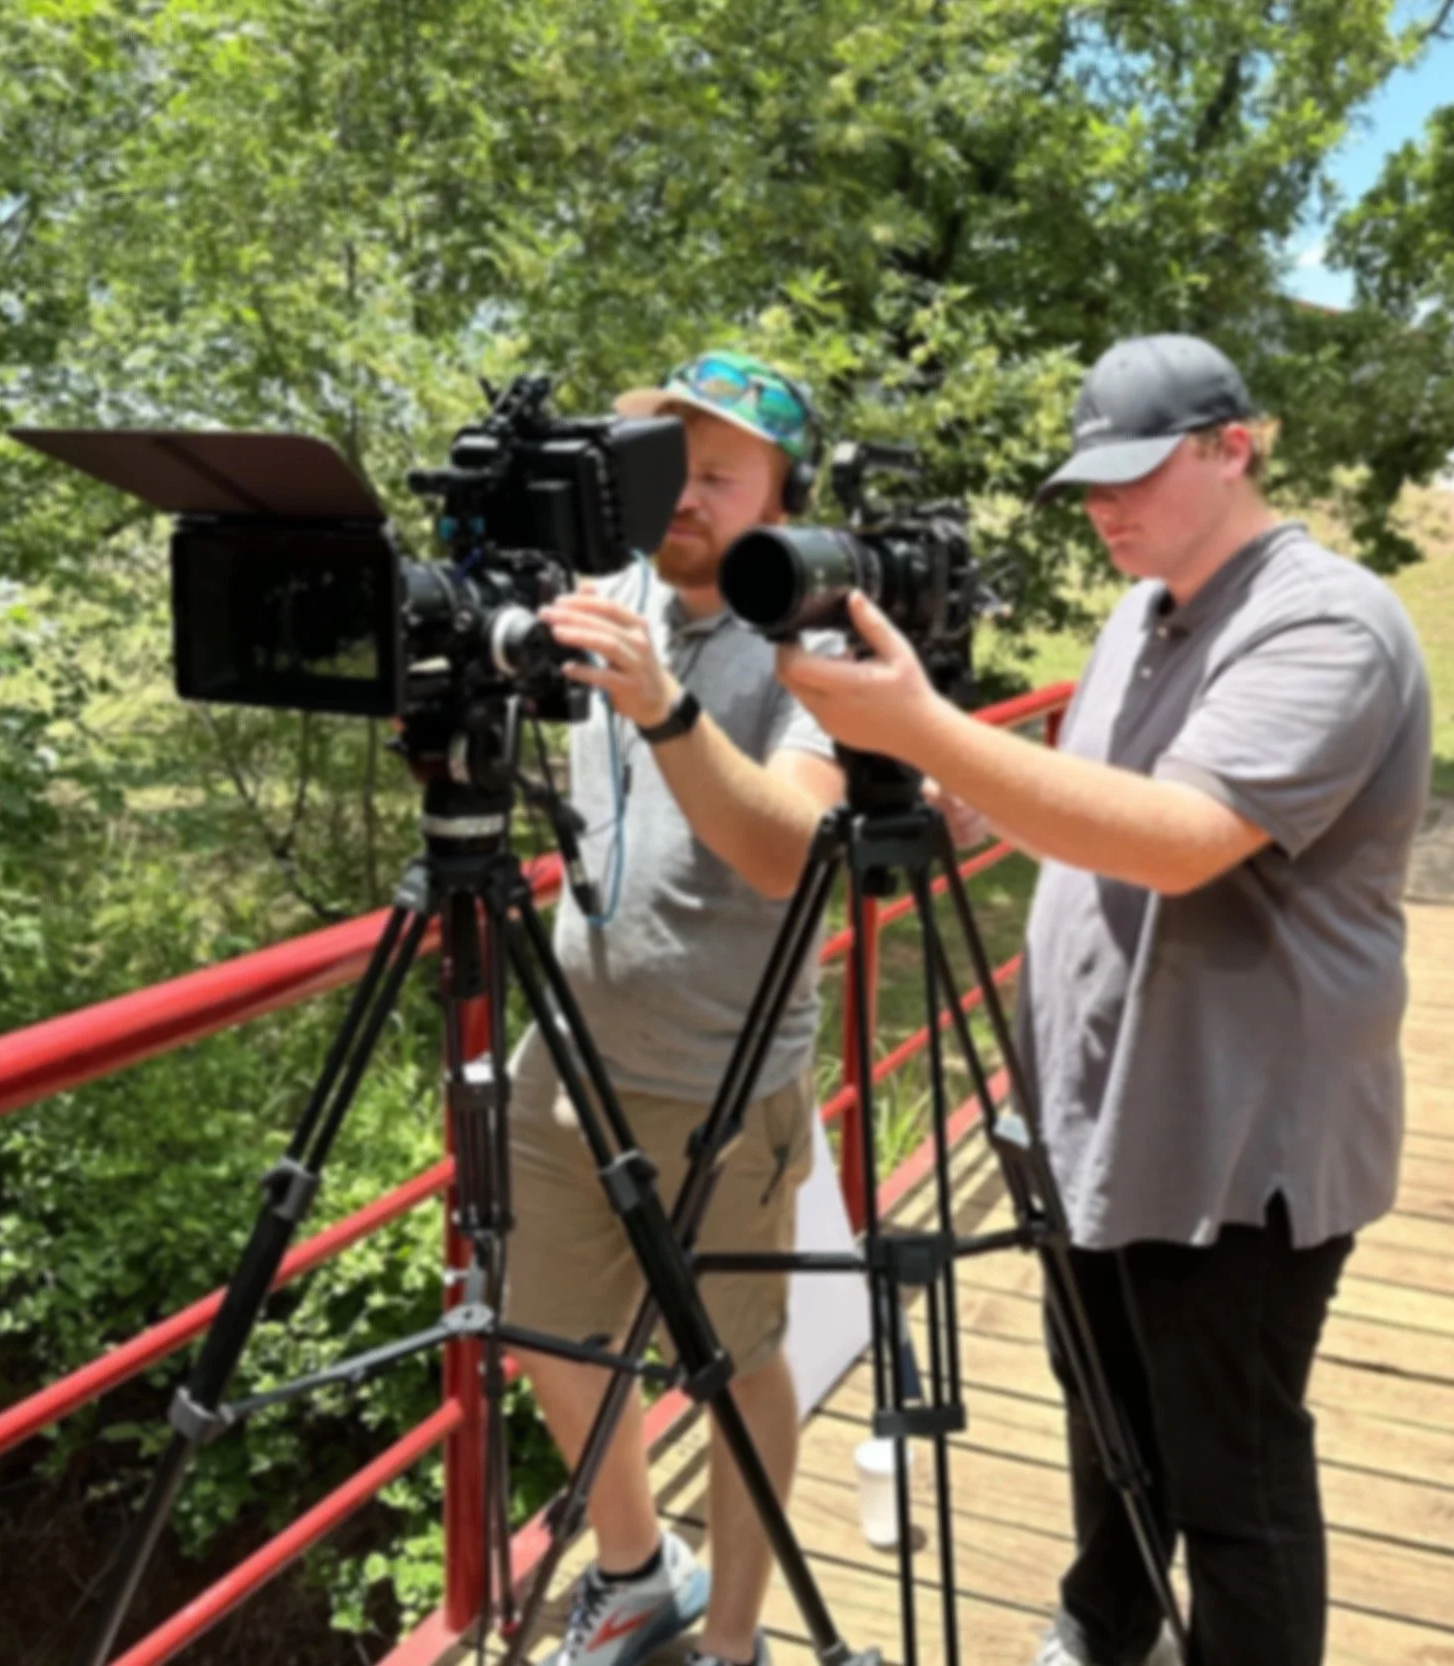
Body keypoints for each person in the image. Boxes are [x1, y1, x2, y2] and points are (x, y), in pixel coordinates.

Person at [775, 334, 1431, 1666]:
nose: (1104, 506)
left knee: (1230, 1470)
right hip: (1099, 1107)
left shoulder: (1327, 621)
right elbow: (1087, 795)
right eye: (1088, 482)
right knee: (1107, 1413)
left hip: (1240, 1135)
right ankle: (1106, 1621)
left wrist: (925, 726)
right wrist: (943, 789)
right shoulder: (1142, 607)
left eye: (1135, 474)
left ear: (1234, 445)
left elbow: (1182, 835)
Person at [507, 350, 846, 1666]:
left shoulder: (812, 626)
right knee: (542, 1317)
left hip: (725, 1076)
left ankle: (737, 1641)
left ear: (779, 491)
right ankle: (641, 1570)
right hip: (568, 1059)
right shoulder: (612, 586)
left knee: (740, 1361)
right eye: (669, 467)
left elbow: (788, 852)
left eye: (718, 473)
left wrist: (665, 702)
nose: (684, 496)